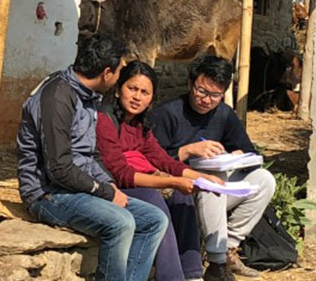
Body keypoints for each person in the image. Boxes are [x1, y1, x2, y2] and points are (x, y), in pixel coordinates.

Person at [17, 35, 168, 281]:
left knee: (154, 220)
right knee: (121, 223)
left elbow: (91, 154)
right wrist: (104, 192)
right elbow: (59, 168)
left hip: (79, 188)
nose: (120, 77)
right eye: (120, 72)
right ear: (107, 73)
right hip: (48, 193)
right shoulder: (58, 96)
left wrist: (107, 183)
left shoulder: (88, 96)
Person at [95, 60, 224, 281]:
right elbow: (121, 174)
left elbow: (165, 161)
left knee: (182, 198)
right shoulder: (104, 120)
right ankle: (171, 277)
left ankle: (192, 274)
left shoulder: (139, 125)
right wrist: (172, 182)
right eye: (132, 89)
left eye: (145, 92)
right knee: (152, 197)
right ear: (117, 90)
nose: (137, 97)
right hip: (109, 188)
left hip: (134, 183)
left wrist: (203, 178)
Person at [150, 55, 275, 281]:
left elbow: (251, 153)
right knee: (212, 178)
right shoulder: (167, 113)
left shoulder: (224, 114)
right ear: (190, 84)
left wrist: (236, 155)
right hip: (180, 191)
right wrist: (187, 151)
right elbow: (150, 160)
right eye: (201, 91)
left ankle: (228, 248)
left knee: (264, 180)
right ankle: (217, 262)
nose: (206, 100)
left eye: (215, 95)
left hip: (212, 196)